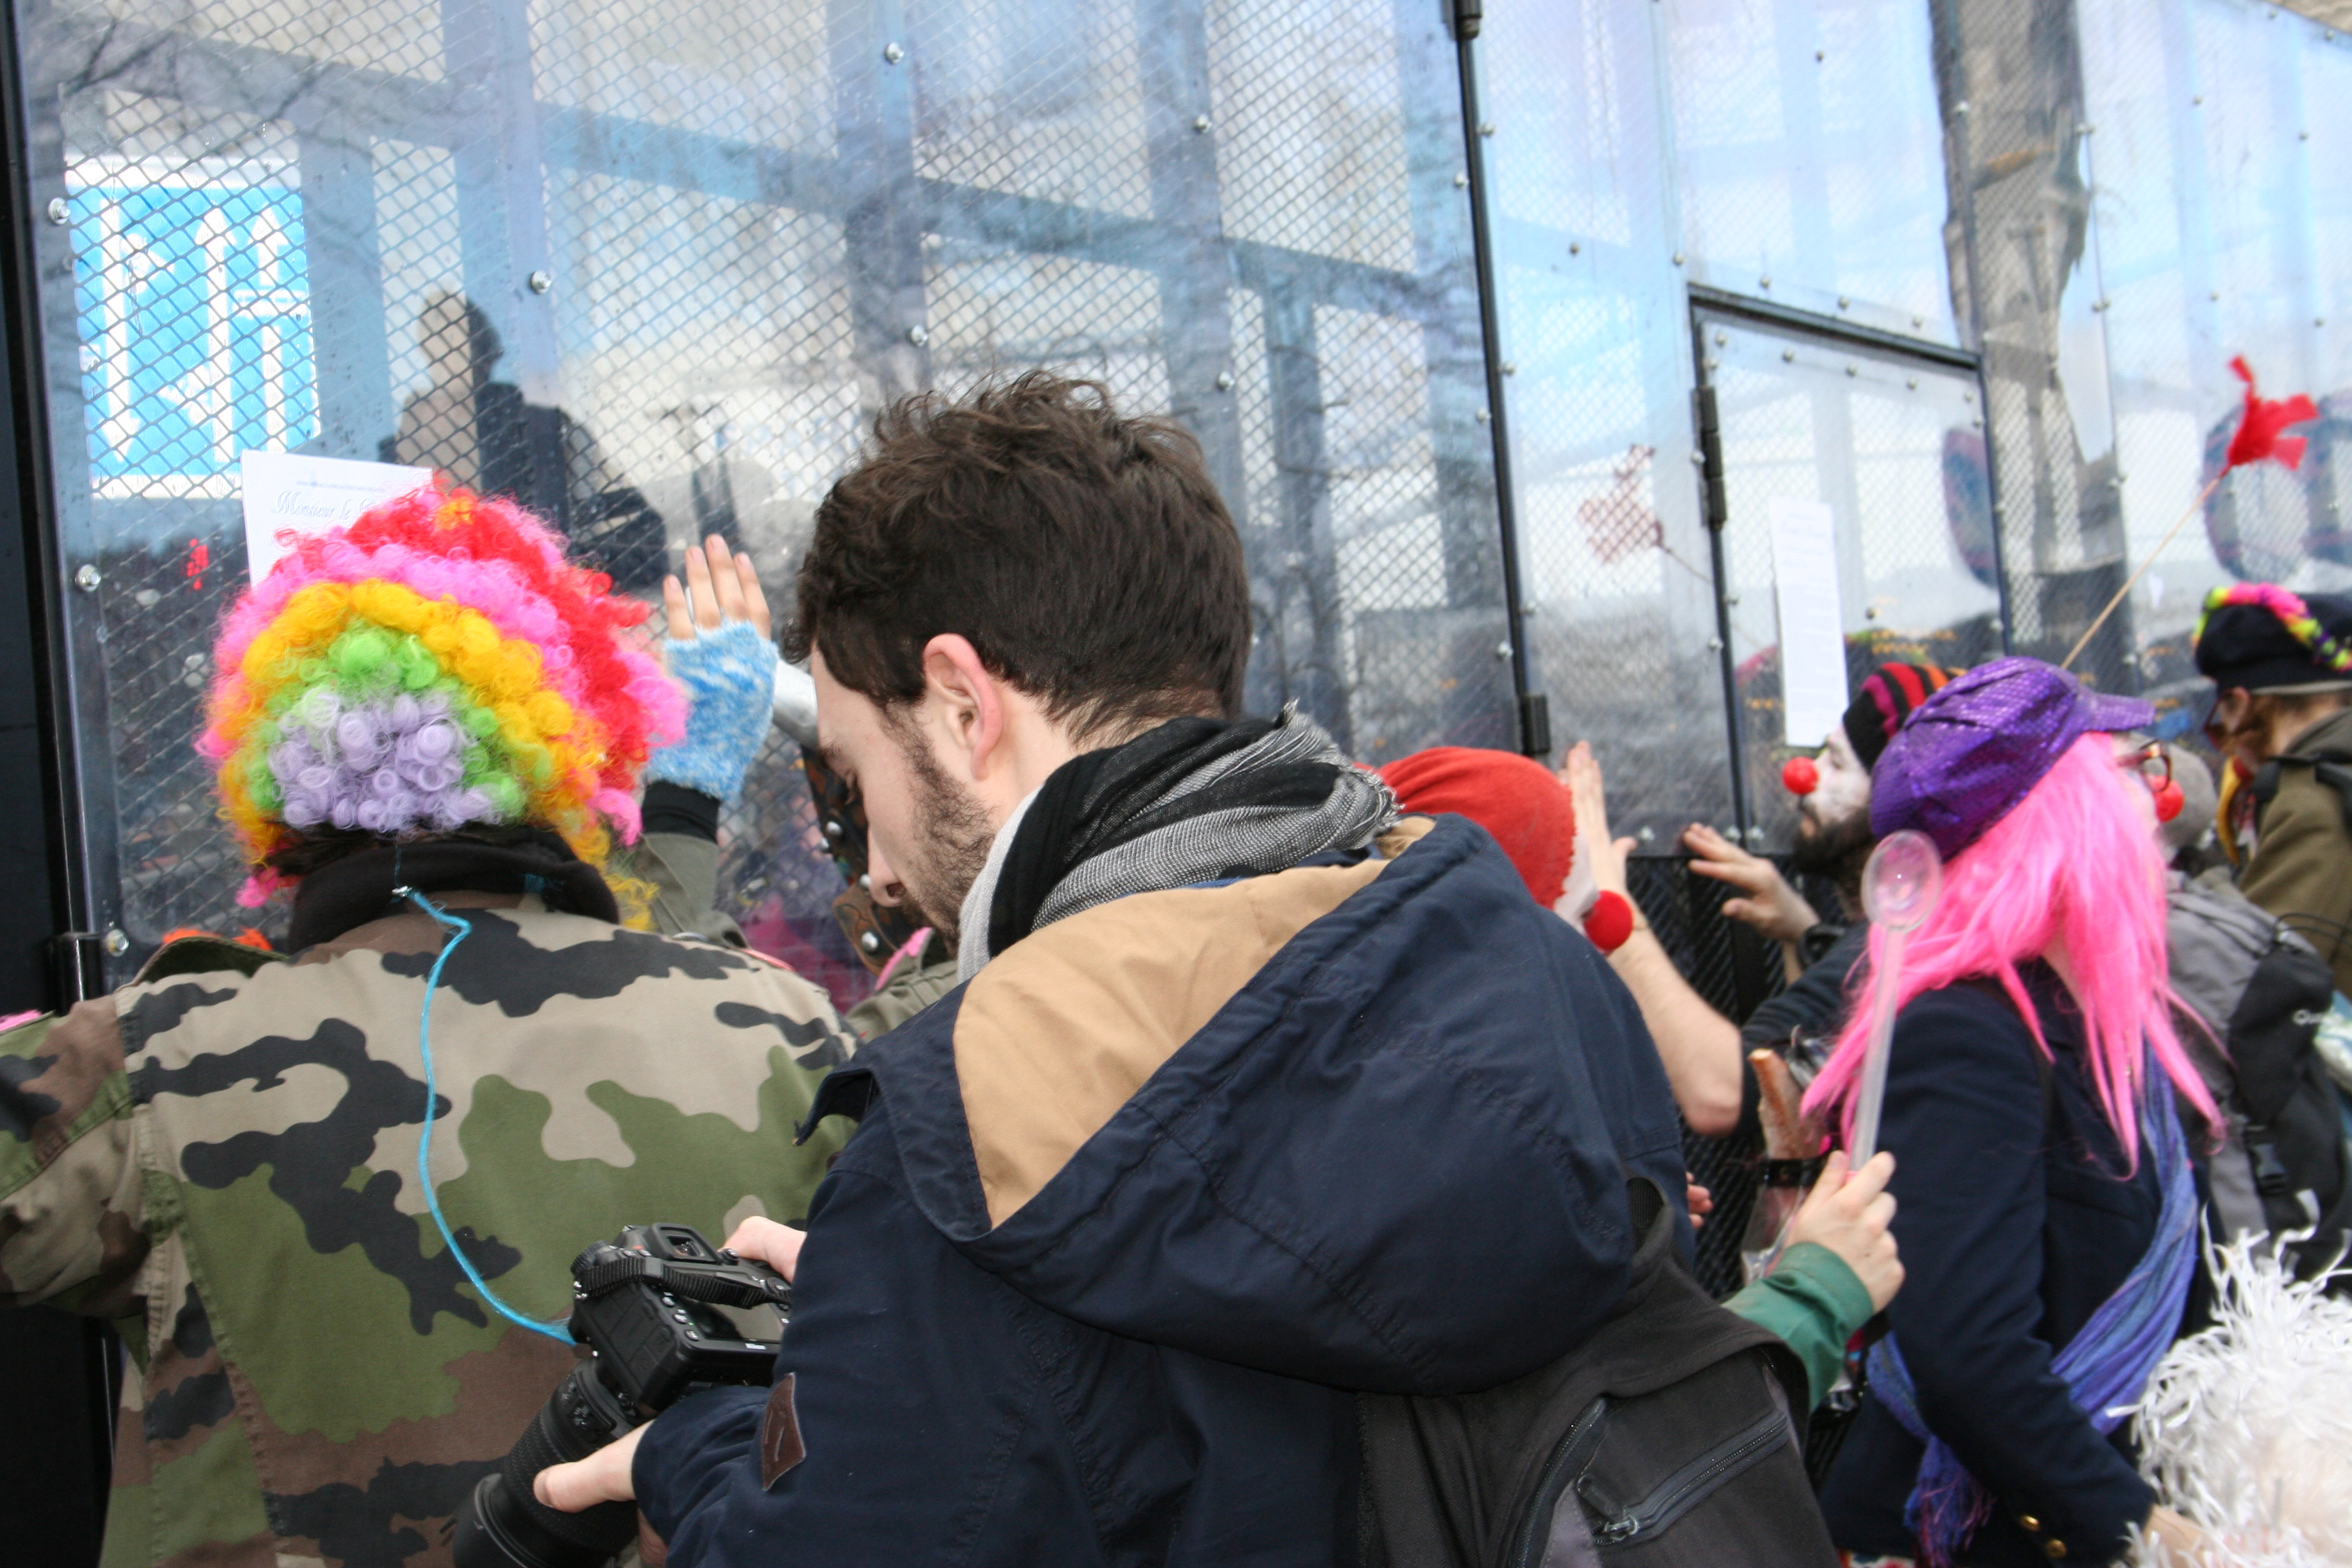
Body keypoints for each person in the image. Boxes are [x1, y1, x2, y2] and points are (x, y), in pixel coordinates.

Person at [534, 372, 1685, 1565]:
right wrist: (917, 1320)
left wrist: (706, 1441)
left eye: (848, 774)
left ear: (963, 703)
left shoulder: (974, 1125)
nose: (873, 866)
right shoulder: (1547, 977)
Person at [0, 487, 855, 1567]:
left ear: (276, 768)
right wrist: (682, 824)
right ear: (577, 741)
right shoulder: (775, 1025)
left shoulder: (151, 1061)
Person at [1802, 657, 2215, 1568]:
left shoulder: (2099, 1027)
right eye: (2129, 770)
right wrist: (2141, 1526)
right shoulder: (1965, 1035)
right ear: (2060, 817)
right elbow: (1968, 1356)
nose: (2154, 799)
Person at [1375, 742, 1905, 1410]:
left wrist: (1599, 1209)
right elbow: (1654, 1420)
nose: (1608, 930)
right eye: (1579, 911)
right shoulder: (1474, 1149)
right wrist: (1814, 1291)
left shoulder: (1405, 1098)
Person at [1567, 663, 1955, 1137]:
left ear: (1894, 797)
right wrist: (1806, 934)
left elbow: (1725, 1093)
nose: (1805, 776)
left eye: (1836, 763)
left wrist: (1610, 899)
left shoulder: (1900, 944)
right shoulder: (1928, 928)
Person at [387, 291, 669, 591]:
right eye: (438, 339)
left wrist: (550, 570)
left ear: (486, 350)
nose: (450, 351)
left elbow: (643, 535)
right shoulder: (396, 447)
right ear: (424, 350)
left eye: (459, 338)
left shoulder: (542, 428)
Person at [2193, 583, 2352, 992]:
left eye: (2222, 715)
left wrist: (2198, 887)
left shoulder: (2315, 796)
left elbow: (2259, 977)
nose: (2227, 740)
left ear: (2241, 704)